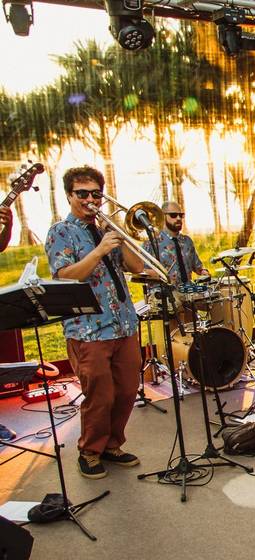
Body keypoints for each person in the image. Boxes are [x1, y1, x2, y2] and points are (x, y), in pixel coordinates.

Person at [45, 166, 145, 479]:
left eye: (95, 194)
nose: (90, 199)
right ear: (69, 195)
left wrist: (123, 237)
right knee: (100, 394)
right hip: (88, 328)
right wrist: (100, 250)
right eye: (82, 194)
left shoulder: (108, 228)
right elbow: (65, 276)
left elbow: (136, 266)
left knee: (128, 389)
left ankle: (113, 445)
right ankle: (90, 450)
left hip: (124, 323)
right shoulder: (60, 232)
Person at [142, 201, 210, 287]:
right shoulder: (151, 243)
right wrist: (163, 276)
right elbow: (142, 271)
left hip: (188, 293)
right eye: (173, 215)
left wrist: (204, 273)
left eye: (181, 215)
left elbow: (198, 268)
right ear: (163, 216)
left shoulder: (187, 241)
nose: (178, 218)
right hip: (162, 295)